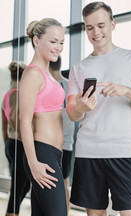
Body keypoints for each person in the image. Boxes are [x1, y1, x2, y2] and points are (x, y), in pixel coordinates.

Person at [66, 1, 131, 216]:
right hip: (88, 152)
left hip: (123, 151)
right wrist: (80, 106)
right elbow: (72, 113)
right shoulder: (78, 68)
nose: (95, 32)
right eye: (89, 28)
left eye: (101, 25)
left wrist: (126, 90)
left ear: (113, 24)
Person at [19, 18, 67, 216]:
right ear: (37, 41)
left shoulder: (48, 75)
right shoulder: (33, 74)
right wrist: (33, 163)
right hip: (41, 154)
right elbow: (24, 120)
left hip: (53, 154)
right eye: (53, 41)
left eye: (62, 42)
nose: (58, 47)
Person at [1, 61, 30, 216]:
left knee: (20, 186)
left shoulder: (6, 95)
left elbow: (3, 126)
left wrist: (8, 146)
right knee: (18, 189)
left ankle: (13, 211)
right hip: (20, 144)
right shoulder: (22, 93)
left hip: (11, 144)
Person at [49, 56, 75, 213]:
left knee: (48, 183)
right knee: (64, 183)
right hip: (67, 143)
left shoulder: (50, 86)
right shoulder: (69, 85)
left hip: (52, 143)